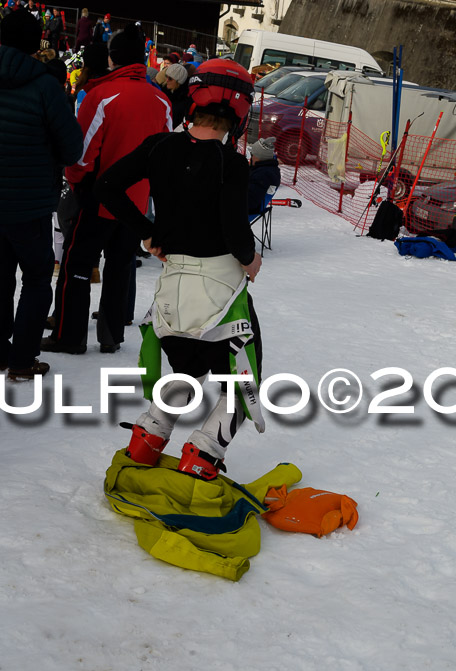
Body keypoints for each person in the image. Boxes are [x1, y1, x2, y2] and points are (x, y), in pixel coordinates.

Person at [94, 58, 263, 481]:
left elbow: (107, 186)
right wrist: (251, 259)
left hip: (171, 299)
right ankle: (203, 454)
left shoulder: (158, 146)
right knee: (241, 384)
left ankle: (147, 440)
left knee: (186, 370)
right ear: (239, 113)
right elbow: (233, 226)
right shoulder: (232, 163)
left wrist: (147, 231)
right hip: (218, 295)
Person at [41, 23, 172, 356]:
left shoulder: (102, 94)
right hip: (137, 203)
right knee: (119, 266)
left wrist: (75, 182)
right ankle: (111, 335)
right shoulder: (161, 100)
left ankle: (69, 336)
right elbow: (167, 156)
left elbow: (80, 153)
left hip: (97, 198)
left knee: (76, 265)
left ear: (113, 58)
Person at [0, 10, 83, 380]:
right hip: (28, 203)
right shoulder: (46, 86)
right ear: (38, 44)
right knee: (35, 277)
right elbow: (72, 149)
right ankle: (21, 359)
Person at [248, 137, 281, 215]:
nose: (251, 157)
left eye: (252, 154)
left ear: (258, 157)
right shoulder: (268, 170)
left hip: (244, 211)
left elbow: (250, 202)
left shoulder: (263, 175)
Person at [161, 62, 189, 129]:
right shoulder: (162, 93)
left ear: (178, 81)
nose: (167, 80)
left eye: (170, 78)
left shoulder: (183, 101)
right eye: (166, 76)